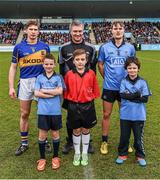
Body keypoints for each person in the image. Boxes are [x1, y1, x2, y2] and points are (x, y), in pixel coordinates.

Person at [8, 20, 51, 156]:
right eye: (30, 29)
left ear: (38, 31)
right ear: (26, 31)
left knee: (43, 114)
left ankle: (44, 140)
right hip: (25, 83)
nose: (33, 32)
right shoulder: (19, 47)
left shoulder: (44, 46)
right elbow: (13, 67)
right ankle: (24, 143)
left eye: (35, 29)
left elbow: (49, 65)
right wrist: (11, 87)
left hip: (41, 83)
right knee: (24, 114)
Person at [58, 19, 97, 154]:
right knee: (71, 115)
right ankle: (70, 141)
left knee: (87, 114)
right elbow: (61, 69)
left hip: (86, 89)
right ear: (70, 32)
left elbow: (93, 69)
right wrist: (64, 89)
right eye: (75, 31)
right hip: (69, 89)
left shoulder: (91, 48)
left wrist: (90, 89)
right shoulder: (63, 48)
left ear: (83, 31)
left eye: (80, 31)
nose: (77, 33)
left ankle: (88, 141)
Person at [98, 21, 136, 154]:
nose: (118, 31)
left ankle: (126, 142)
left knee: (125, 115)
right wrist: (106, 78)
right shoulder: (105, 47)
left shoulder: (130, 48)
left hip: (125, 88)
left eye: (120, 28)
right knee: (106, 114)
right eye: (115, 28)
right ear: (111, 31)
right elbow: (100, 64)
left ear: (123, 30)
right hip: (109, 87)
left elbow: (133, 65)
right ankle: (104, 141)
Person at [63, 49, 100, 166]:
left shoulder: (91, 73)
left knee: (86, 129)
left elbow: (95, 89)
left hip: (88, 106)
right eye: (77, 59)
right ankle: (77, 152)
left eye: (82, 59)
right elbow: (66, 91)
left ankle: (84, 152)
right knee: (76, 130)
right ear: (73, 61)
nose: (80, 62)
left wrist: (89, 96)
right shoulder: (69, 74)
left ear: (86, 60)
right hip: (73, 106)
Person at [115, 57, 151, 166]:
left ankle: (140, 155)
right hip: (125, 115)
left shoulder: (143, 82)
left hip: (139, 116)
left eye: (134, 68)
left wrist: (129, 96)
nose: (132, 70)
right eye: (129, 68)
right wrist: (136, 94)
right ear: (126, 69)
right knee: (124, 136)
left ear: (138, 69)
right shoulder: (123, 81)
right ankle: (122, 154)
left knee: (138, 138)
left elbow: (145, 98)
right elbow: (122, 95)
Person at [35, 53, 63, 171]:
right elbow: (36, 93)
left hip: (55, 112)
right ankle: (42, 158)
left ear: (54, 65)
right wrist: (52, 92)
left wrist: (44, 91)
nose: (48, 66)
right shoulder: (39, 78)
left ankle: (55, 157)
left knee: (55, 134)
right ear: (43, 65)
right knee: (42, 135)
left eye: (51, 64)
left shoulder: (58, 78)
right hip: (43, 112)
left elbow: (60, 91)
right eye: (46, 64)